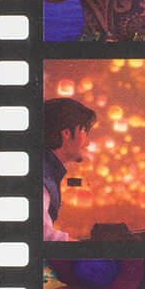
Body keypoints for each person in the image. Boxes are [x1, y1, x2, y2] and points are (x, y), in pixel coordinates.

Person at [43, 98, 97, 242]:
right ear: (66, 133)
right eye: (84, 131)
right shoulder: (43, 177)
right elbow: (43, 236)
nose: (88, 143)